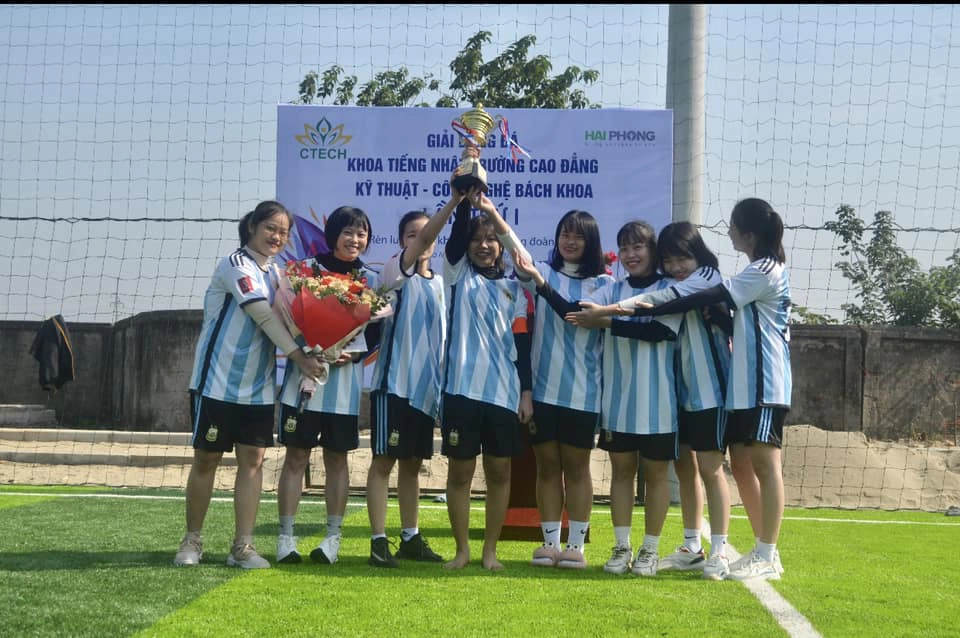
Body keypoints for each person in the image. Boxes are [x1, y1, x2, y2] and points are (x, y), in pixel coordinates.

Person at [629, 198, 791, 581]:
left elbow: (712, 295)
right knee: (744, 468)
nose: (728, 231)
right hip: (745, 385)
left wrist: (640, 307)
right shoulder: (755, 269)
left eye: (732, 225)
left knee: (765, 467)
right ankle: (747, 549)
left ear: (748, 232)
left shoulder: (763, 269)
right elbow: (729, 316)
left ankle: (766, 553)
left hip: (765, 382)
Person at [568, 221, 734, 580]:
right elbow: (577, 306)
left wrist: (607, 315)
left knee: (710, 469)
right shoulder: (652, 283)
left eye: (682, 258)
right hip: (677, 393)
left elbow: (659, 322)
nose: (676, 266)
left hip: (708, 390)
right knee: (685, 468)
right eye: (670, 260)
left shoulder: (701, 277)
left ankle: (718, 551)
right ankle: (690, 546)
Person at [174, 200, 324, 569]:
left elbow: (293, 320)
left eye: (283, 232)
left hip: (258, 387)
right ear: (253, 227)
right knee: (207, 459)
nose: (277, 237)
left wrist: (321, 344)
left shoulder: (279, 275)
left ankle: (242, 546)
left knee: (253, 462)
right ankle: (192, 540)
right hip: (217, 382)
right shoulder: (235, 265)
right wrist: (299, 357)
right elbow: (263, 316)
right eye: (271, 228)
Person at [543, 220, 682, 577]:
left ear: (652, 251)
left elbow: (659, 331)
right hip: (618, 401)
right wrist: (540, 282)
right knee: (621, 473)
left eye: (638, 247)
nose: (631, 254)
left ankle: (650, 550)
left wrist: (605, 322)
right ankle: (622, 547)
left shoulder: (669, 288)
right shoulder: (611, 289)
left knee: (656, 475)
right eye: (624, 248)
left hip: (659, 401)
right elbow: (576, 311)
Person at [491, 209, 613, 569]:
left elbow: (574, 313)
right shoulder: (542, 272)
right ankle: (549, 544)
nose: (570, 242)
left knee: (577, 468)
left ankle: (576, 546)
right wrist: (489, 211)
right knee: (546, 467)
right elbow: (514, 248)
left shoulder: (604, 285)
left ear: (591, 242)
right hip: (543, 392)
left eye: (578, 236)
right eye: (564, 234)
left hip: (583, 393)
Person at [275, 205, 381, 566]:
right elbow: (286, 316)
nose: (355, 239)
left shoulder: (369, 280)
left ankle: (332, 539)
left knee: (337, 459)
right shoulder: (304, 271)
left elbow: (376, 331)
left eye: (361, 233)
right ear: (333, 234)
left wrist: (352, 353)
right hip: (302, 382)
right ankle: (286, 538)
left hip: (343, 390)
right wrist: (307, 347)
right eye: (348, 232)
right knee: (295, 457)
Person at [365, 190, 466, 568]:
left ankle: (410, 537)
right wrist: (454, 201)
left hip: (425, 394)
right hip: (394, 387)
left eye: (427, 234)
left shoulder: (440, 284)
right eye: (413, 234)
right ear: (402, 241)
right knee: (383, 463)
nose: (423, 239)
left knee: (412, 466)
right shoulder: (396, 272)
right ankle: (378, 541)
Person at [442, 188, 534, 571]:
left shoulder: (516, 288)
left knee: (499, 472)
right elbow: (454, 239)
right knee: (460, 472)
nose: (483, 245)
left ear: (500, 248)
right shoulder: (457, 275)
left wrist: (525, 392)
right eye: (477, 240)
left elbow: (523, 345)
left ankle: (489, 551)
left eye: (491, 240)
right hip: (461, 391)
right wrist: (466, 196)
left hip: (504, 395)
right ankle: (462, 550)